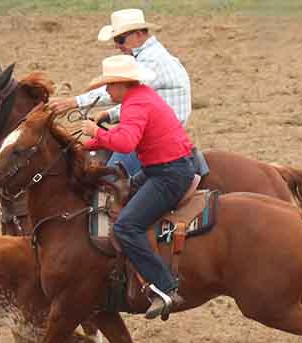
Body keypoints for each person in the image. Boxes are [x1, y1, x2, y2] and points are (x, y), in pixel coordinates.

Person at [80, 55, 195, 319]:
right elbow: (120, 137)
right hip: (163, 168)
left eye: (109, 85)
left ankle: (165, 287)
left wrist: (95, 133)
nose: (107, 91)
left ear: (123, 83)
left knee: (126, 226)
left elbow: (126, 142)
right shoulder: (140, 97)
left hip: (168, 175)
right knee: (120, 199)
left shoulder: (136, 104)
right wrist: (84, 146)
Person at [50, 8, 191, 177]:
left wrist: (75, 102)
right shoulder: (152, 55)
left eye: (120, 39)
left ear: (138, 34)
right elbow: (136, 101)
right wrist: (109, 115)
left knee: (111, 177)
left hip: (156, 138)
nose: (117, 45)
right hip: (157, 129)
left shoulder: (151, 60)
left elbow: (123, 92)